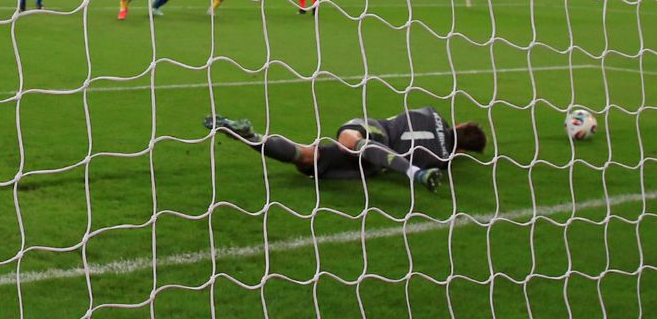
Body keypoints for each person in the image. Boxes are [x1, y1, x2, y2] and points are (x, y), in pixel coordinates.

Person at [204, 107, 487, 192]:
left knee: (309, 160)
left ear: (459, 124)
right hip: (376, 159)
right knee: (314, 158)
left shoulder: (432, 112)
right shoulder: (444, 158)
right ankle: (414, 173)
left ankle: (249, 135)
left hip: (372, 127)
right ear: (463, 150)